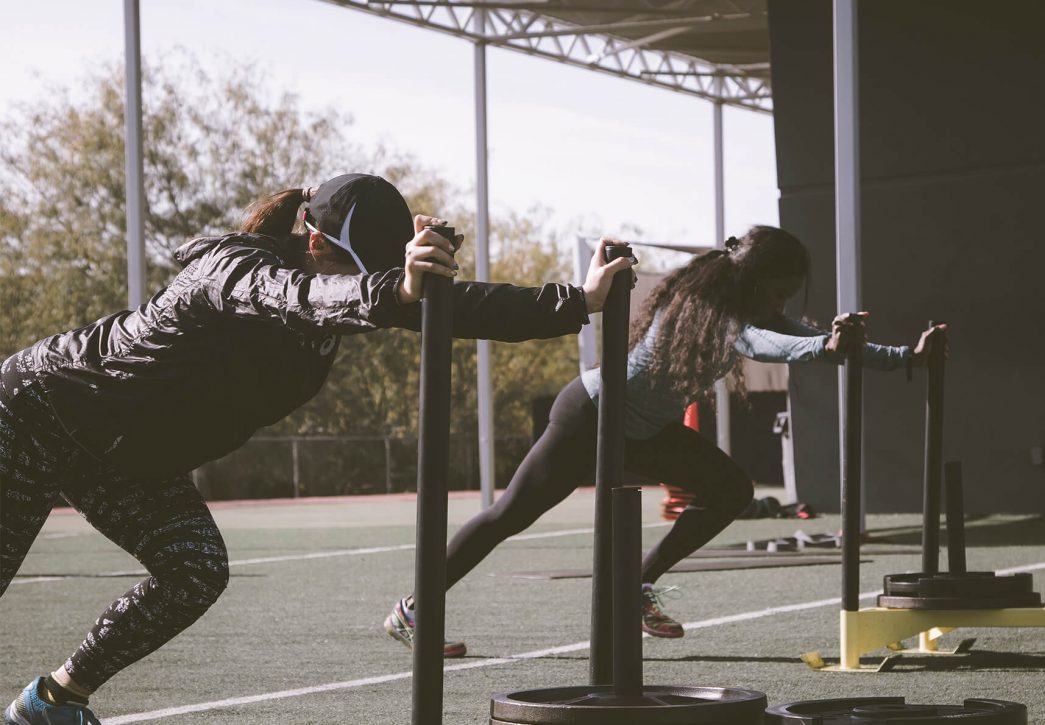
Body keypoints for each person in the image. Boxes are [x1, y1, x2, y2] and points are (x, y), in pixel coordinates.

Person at [0, 173, 634, 725]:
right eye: (355, 269)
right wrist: (393, 291)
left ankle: (53, 701)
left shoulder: (348, 287)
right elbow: (301, 299)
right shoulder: (233, 269)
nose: (363, 284)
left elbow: (459, 307)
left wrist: (580, 300)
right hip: (38, 412)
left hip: (127, 458)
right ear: (314, 242)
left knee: (195, 569)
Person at [385, 225, 945, 657]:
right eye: (780, 292)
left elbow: (804, 336)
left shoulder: (748, 308)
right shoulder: (709, 308)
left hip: (644, 432)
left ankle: (635, 584)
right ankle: (412, 609)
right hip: (591, 416)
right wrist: (823, 347)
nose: (783, 304)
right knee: (508, 516)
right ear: (756, 281)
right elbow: (768, 344)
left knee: (730, 490)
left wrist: (905, 357)